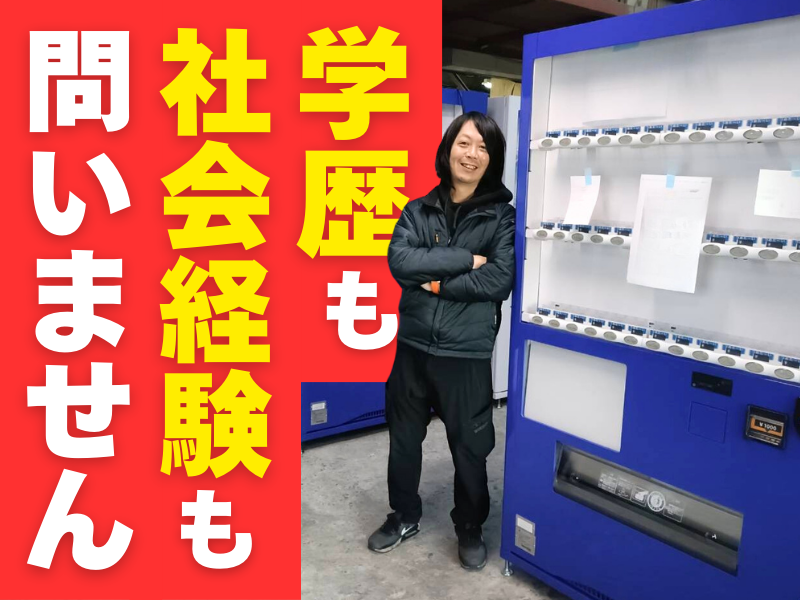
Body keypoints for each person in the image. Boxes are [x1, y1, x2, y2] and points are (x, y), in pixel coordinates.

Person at [367, 112, 515, 570]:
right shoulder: (418, 209)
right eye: (464, 143)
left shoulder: (502, 217)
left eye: (483, 147)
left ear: (493, 159)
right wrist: (466, 259)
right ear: (448, 148)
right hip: (412, 348)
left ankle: (469, 525)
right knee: (403, 440)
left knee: (470, 448)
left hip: (465, 353)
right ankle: (404, 515)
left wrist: (434, 280)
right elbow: (401, 262)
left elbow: (498, 279)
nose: (472, 155)